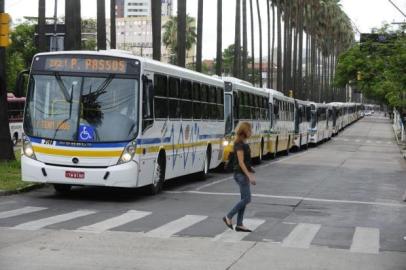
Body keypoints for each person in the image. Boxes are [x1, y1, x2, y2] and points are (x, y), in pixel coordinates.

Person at [223, 122, 256, 232]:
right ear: (245, 131)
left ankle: (239, 224)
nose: (251, 132)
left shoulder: (241, 143)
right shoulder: (239, 144)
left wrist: (250, 170)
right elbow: (241, 162)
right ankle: (228, 216)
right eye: (250, 130)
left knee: (244, 199)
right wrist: (249, 176)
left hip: (242, 174)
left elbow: (244, 162)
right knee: (247, 199)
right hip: (240, 175)